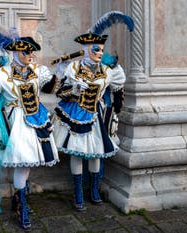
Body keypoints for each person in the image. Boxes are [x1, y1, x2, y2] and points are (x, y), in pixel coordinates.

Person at [0, 29, 59, 231]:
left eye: (32, 52)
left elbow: (48, 88)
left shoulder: (37, 70)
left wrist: (59, 74)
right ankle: (21, 205)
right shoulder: (1, 74)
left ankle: (19, 199)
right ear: (16, 52)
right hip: (15, 124)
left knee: (27, 164)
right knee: (23, 163)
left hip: (37, 120)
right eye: (27, 52)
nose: (31, 56)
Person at [52, 26, 129, 210]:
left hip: (97, 116)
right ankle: (78, 192)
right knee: (77, 153)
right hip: (76, 114)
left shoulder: (108, 71)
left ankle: (94, 189)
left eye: (102, 49)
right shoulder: (73, 68)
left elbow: (118, 91)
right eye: (96, 49)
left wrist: (115, 111)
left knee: (96, 153)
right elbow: (60, 92)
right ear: (86, 49)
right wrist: (75, 90)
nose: (100, 53)